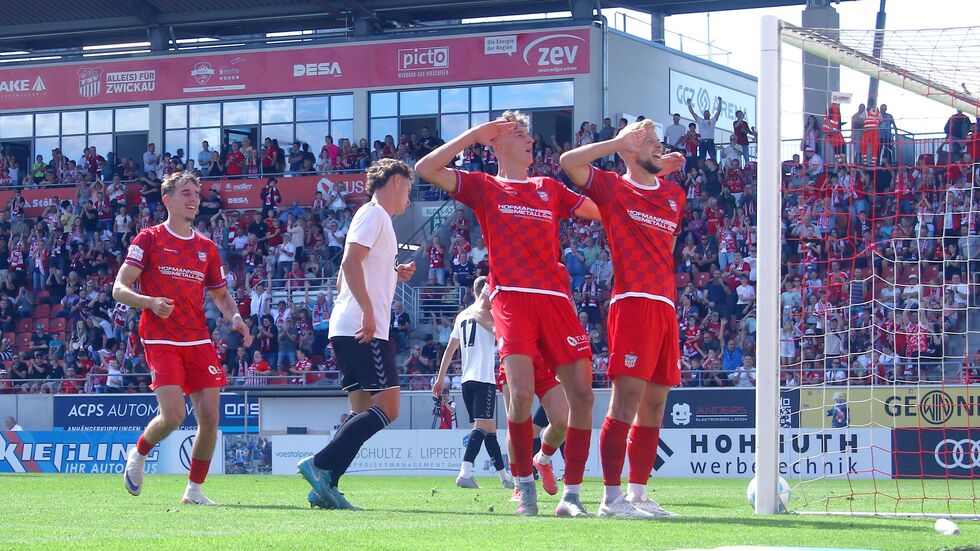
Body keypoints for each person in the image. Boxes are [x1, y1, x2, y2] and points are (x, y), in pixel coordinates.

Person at [416, 111, 600, 517]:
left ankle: (570, 494)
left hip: (555, 299)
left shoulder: (548, 188)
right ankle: (524, 488)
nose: (529, 140)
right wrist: (473, 135)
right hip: (513, 299)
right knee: (519, 394)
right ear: (496, 143)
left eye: (528, 134)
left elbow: (601, 211)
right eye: (518, 134)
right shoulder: (484, 186)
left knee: (582, 397)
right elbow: (426, 168)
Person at [560, 118, 686, 518]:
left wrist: (656, 167)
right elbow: (569, 162)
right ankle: (610, 499)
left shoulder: (675, 195)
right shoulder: (613, 188)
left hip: (665, 305)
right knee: (626, 400)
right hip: (632, 303)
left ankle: (637, 494)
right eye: (648, 141)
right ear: (628, 148)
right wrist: (617, 142)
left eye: (658, 141)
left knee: (655, 404)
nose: (658, 146)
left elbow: (665, 248)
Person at [115, 171, 252, 505]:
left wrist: (235, 318)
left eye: (197, 194)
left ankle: (194, 491)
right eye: (186, 193)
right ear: (168, 200)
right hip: (161, 338)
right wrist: (150, 302)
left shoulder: (206, 247)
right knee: (174, 416)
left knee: (210, 416)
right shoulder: (148, 239)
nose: (194, 199)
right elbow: (119, 288)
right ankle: (139, 452)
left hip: (198, 340)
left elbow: (221, 296)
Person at [297, 159, 416, 510]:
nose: (409, 198)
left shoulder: (373, 218)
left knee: (361, 410)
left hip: (347, 325)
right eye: (408, 190)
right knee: (388, 408)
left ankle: (326, 486)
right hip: (363, 327)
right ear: (396, 182)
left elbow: (345, 275)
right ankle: (320, 464)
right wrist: (367, 310)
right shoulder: (375, 214)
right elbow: (348, 264)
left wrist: (392, 273)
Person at [433, 276, 513, 490]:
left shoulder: (462, 315)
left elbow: (449, 350)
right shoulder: (488, 314)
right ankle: (465, 473)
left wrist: (440, 378)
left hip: (466, 381)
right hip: (483, 378)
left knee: (489, 428)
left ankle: (504, 477)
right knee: (482, 426)